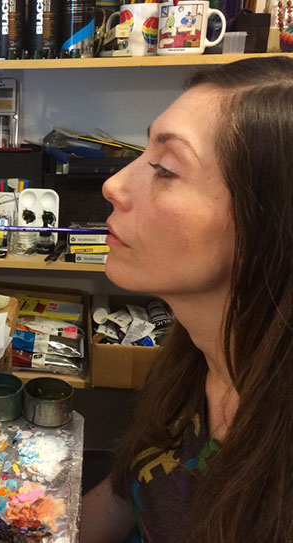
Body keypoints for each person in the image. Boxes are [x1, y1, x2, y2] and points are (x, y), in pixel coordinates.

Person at [81, 56, 293, 543]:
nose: (113, 185)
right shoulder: (194, 359)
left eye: (165, 169)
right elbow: (128, 493)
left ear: (270, 222)